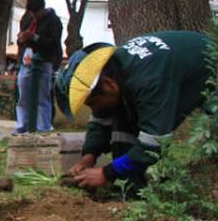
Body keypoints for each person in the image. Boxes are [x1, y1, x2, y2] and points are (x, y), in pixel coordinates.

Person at [60, 31, 213, 190]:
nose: (94, 109)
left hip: (210, 65)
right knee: (121, 116)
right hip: (175, 65)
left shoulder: (150, 81)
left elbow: (153, 143)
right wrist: (88, 156)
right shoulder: (116, 70)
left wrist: (106, 173)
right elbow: (101, 118)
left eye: (92, 104)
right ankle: (130, 187)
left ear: (109, 85)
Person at [14, 0, 63, 134]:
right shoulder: (28, 19)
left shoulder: (54, 21)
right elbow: (20, 38)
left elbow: (53, 44)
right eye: (31, 13)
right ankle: (22, 125)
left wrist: (35, 38)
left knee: (43, 97)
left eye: (36, 13)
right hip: (26, 61)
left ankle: (43, 127)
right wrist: (22, 39)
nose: (34, 16)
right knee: (23, 96)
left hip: (44, 61)